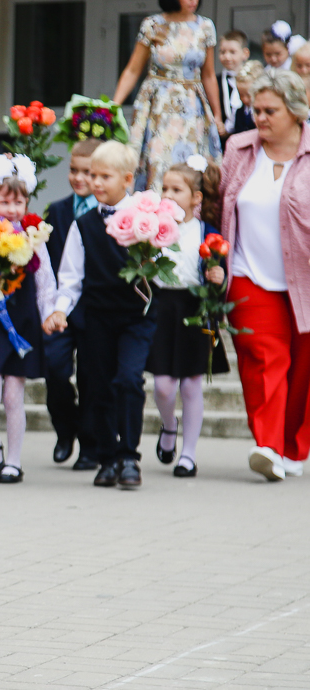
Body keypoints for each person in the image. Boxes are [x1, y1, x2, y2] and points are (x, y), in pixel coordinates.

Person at [44, 142, 156, 490]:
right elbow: (71, 278)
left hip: (136, 316)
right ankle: (107, 457)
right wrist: (60, 310)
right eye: (92, 175)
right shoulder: (83, 225)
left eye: (104, 176)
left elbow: (161, 264)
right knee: (97, 387)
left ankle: (129, 456)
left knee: (129, 379)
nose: (95, 182)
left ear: (127, 179)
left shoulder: (146, 218)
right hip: (97, 318)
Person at [218, 69, 310, 482]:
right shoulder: (238, 148)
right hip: (247, 273)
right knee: (263, 359)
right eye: (256, 110)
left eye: (270, 111)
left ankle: (292, 448)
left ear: (295, 111)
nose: (260, 118)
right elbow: (216, 201)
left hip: (304, 279)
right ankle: (268, 446)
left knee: (303, 370)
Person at [0, 155, 55, 483]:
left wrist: (49, 312)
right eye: (4, 202)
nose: (12, 209)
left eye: (19, 202)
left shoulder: (33, 237)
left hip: (22, 320)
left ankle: (14, 461)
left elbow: (45, 279)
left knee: (13, 395)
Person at [147, 156, 228, 478]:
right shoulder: (152, 228)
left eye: (176, 190)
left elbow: (219, 274)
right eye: (164, 188)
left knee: (192, 386)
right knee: (163, 386)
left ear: (196, 198)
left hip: (195, 309)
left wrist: (218, 279)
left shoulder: (208, 233)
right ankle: (169, 425)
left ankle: (188, 454)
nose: (167, 195)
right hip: (162, 309)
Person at [114, 0, 223, 193]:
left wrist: (217, 114)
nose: (193, 1)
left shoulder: (205, 26)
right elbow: (133, 70)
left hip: (191, 105)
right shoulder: (152, 24)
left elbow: (208, 75)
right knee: (157, 159)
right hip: (158, 105)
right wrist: (113, 107)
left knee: (190, 162)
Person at [42, 138, 101, 470]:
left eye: (88, 172)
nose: (79, 178)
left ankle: (90, 446)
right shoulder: (58, 210)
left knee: (91, 378)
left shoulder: (107, 213)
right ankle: (65, 430)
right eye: (74, 170)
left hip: (94, 308)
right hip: (60, 307)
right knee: (55, 368)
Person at [218, 31, 249, 137]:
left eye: (232, 52)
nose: (227, 57)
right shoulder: (216, 82)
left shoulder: (254, 80)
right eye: (222, 52)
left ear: (245, 53)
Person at [232, 60, 264, 135]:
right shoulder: (239, 112)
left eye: (249, 95)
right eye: (241, 95)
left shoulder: (262, 114)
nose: (245, 99)